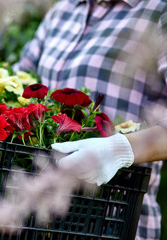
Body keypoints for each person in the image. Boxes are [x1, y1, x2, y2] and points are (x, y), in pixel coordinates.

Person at [14, 0, 167, 239]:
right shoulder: (65, 9)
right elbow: (19, 81)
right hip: (38, 221)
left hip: (113, 221)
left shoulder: (158, 11)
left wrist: (120, 149)